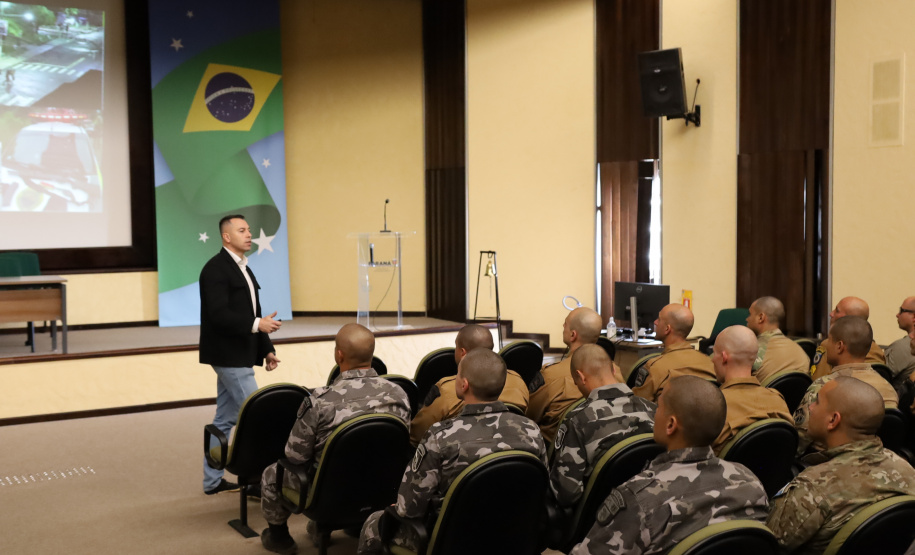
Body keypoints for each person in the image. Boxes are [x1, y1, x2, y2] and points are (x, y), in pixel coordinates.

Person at [357, 349, 547, 554]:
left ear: (464, 385)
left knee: (373, 523)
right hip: (511, 532)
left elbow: (409, 508)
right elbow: (540, 487)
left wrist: (397, 508)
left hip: (450, 540)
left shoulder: (440, 437)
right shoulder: (531, 431)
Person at [570, 375, 768, 555]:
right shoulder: (750, 483)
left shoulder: (639, 500)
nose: (655, 413)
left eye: (659, 406)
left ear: (671, 425)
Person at [260, 323, 411, 554]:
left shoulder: (320, 401)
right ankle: (358, 522)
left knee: (272, 474)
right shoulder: (398, 394)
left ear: (338, 355)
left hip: (328, 498)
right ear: (372, 354)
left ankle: (279, 538)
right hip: (384, 490)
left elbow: (295, 456)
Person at [767, 377, 915, 554]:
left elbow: (769, 546)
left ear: (833, 420)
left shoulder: (813, 488)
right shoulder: (907, 470)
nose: (811, 407)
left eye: (817, 402)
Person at [199, 214, 282, 495]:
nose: (249, 234)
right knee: (257, 417)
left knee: (224, 420)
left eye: (249, 230)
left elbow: (253, 315)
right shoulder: (215, 269)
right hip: (228, 356)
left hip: (240, 353)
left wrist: (266, 348)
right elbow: (219, 315)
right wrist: (259, 324)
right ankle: (254, 480)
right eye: (242, 230)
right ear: (226, 236)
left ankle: (211, 482)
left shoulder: (244, 267)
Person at [549, 344, 656, 508]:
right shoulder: (652, 409)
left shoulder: (577, 420)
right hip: (649, 505)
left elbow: (567, 495)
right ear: (613, 370)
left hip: (600, 520)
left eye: (576, 382)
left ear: (581, 377)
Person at [409, 324, 529, 445]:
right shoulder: (517, 380)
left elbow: (417, 436)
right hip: (512, 449)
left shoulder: (447, 389)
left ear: (462, 352)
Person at [795, 316, 898, 456]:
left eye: (829, 340)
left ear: (839, 346)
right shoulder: (888, 388)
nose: (825, 344)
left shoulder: (825, 387)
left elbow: (800, 439)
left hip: (828, 465)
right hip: (877, 464)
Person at [528, 307, 622, 444]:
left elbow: (530, 415)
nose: (563, 326)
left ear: (573, 335)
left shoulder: (551, 376)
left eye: (565, 323)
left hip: (559, 455)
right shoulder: (615, 371)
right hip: (605, 448)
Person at [710, 325, 793, 454]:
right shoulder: (778, 400)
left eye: (714, 353)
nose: (712, 359)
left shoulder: (712, 407)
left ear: (724, 357)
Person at [632, 303, 716, 402]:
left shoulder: (655, 367)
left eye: (659, 319)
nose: (655, 322)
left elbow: (637, 404)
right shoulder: (710, 364)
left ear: (667, 329)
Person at [811, 296, 885, 379]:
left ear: (849, 320)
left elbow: (818, 382)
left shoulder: (830, 345)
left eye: (837, 311)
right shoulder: (878, 352)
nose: (831, 314)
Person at [745, 296, 810, 382]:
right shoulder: (801, 353)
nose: (747, 319)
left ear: (761, 317)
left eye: (750, 314)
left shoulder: (751, 351)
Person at [885, 297, 915, 391]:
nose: (897, 315)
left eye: (901, 310)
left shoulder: (902, 347)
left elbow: (880, 379)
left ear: (914, 317)